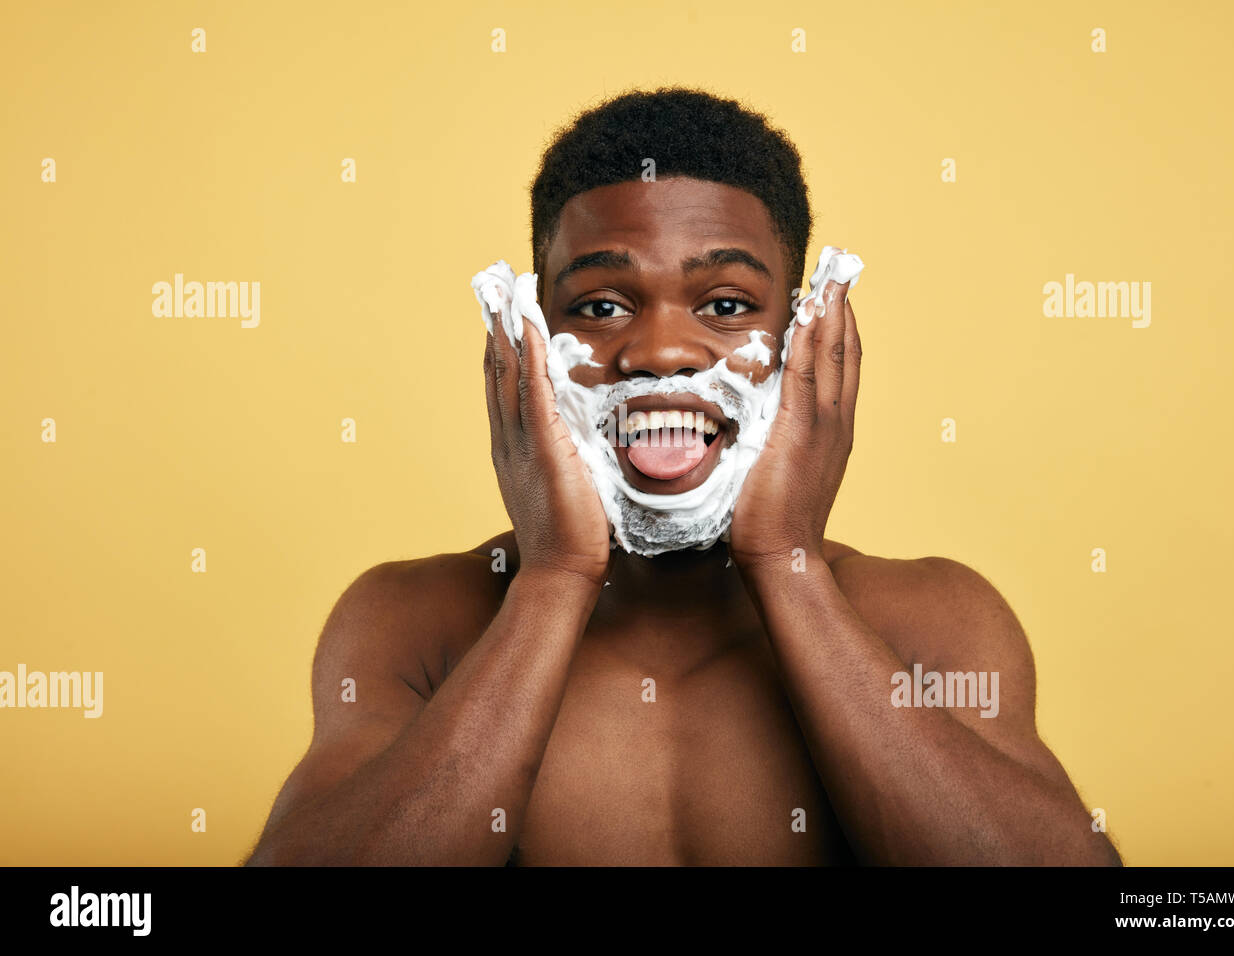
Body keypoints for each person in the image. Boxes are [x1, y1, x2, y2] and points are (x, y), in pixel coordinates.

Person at [245, 87, 1121, 866]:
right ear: (527, 340)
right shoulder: (412, 621)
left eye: (727, 305)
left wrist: (788, 560)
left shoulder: (929, 618)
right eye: (599, 307)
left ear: (805, 336)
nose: (660, 351)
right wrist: (552, 577)